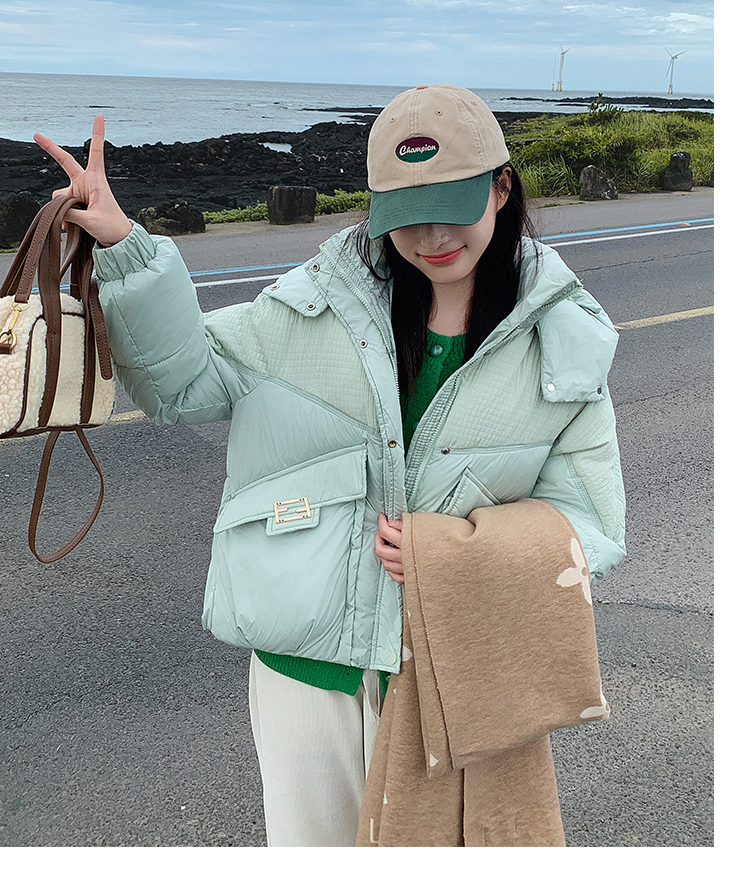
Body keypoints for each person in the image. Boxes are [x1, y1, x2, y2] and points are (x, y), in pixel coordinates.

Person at [33, 83, 626, 847]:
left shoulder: (565, 338)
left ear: (502, 187)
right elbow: (184, 384)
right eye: (406, 213)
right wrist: (125, 248)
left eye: (453, 205)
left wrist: (456, 555)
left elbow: (591, 523)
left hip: (454, 667)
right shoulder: (311, 306)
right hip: (306, 670)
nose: (432, 235)